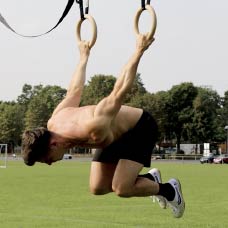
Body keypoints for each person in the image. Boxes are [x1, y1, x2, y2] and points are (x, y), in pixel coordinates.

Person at [22, 34, 185, 218]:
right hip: (112, 137)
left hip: (139, 128)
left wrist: (139, 50)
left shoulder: (93, 126)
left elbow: (119, 91)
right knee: (97, 187)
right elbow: (74, 91)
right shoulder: (55, 121)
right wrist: (83, 56)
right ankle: (149, 180)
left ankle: (169, 190)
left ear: (53, 145)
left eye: (46, 160)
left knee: (121, 188)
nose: (50, 164)